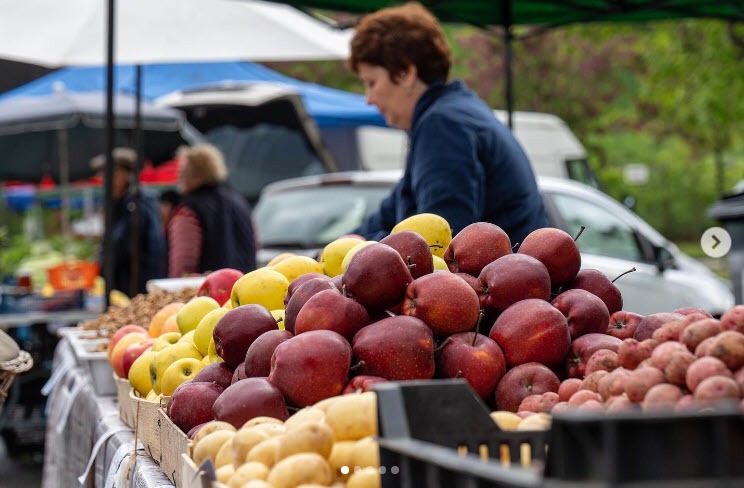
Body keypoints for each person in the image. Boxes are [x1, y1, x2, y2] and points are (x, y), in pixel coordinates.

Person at [349, 2, 549, 246]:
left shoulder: (443, 126)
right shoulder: (454, 113)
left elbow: (439, 241)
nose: (369, 99)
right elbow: (385, 218)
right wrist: (326, 254)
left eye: (371, 82)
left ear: (405, 73)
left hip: (506, 282)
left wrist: (356, 253)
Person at [167, 143, 257, 277]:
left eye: (183, 172)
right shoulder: (239, 201)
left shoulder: (188, 208)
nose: (179, 177)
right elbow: (255, 243)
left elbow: (183, 260)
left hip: (207, 291)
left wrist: (175, 287)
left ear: (197, 175)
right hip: (244, 287)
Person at [91, 147, 167, 295]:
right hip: (134, 286)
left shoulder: (134, 205)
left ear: (120, 175)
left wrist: (100, 263)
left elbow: (121, 247)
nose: (102, 180)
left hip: (135, 288)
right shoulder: (130, 201)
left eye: (105, 174)